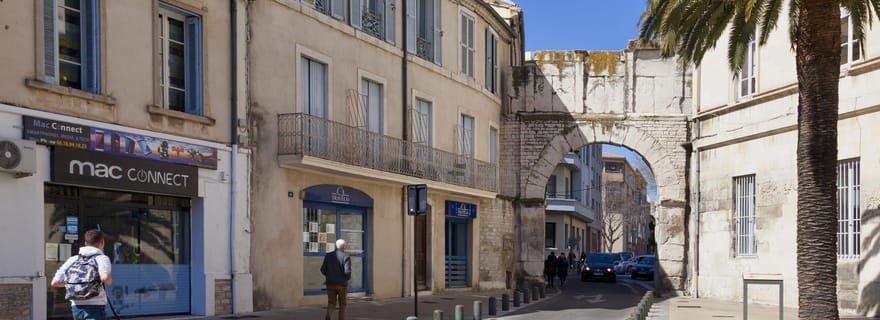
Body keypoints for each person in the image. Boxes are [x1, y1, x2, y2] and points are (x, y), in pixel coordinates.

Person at [51, 229, 113, 320]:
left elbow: (54, 283)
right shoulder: (102, 258)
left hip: (76, 308)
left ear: (85, 243)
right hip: (96, 307)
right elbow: (105, 277)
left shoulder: (72, 259)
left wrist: (77, 283)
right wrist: (109, 281)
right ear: (102, 242)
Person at [321, 239, 352, 320]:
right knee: (342, 304)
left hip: (330, 283)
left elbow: (323, 269)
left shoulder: (328, 255)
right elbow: (347, 271)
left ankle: (328, 318)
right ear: (343, 246)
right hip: (342, 284)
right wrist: (347, 279)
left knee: (331, 303)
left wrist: (329, 276)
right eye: (345, 245)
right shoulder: (346, 256)